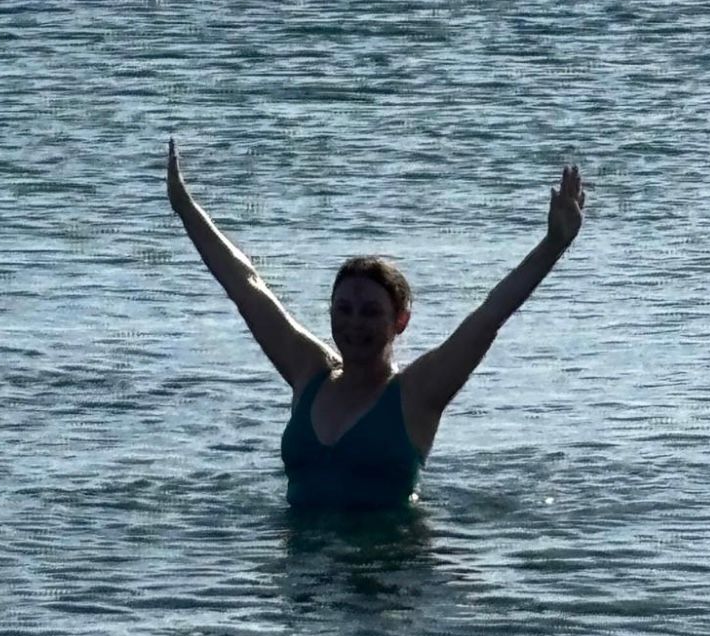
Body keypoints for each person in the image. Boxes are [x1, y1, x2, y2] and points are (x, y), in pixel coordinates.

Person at [167, 137, 585, 509]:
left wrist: (553, 245)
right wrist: (186, 209)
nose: (354, 324)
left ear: (400, 321)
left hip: (390, 567)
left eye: (370, 312)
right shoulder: (309, 372)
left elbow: (491, 315)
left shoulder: (418, 392)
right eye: (344, 309)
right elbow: (246, 286)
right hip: (306, 571)